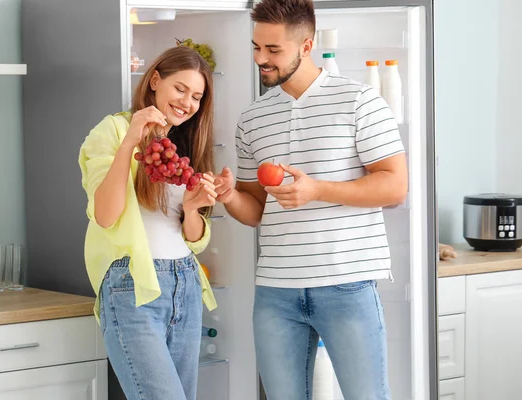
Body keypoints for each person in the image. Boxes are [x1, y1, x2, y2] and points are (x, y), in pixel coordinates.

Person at [214, 0, 408, 399]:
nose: (260, 59)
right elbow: (256, 210)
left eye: (273, 50)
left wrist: (317, 189)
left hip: (346, 285)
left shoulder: (359, 102)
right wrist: (230, 195)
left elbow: (394, 186)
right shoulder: (252, 118)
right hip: (275, 292)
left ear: (306, 45)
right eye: (256, 48)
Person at [78, 46, 218, 400]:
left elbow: (194, 239)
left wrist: (193, 208)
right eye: (180, 89)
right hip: (132, 286)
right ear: (155, 80)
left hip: (185, 283)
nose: (187, 102)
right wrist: (130, 141)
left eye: (197, 96)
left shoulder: (184, 143)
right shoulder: (112, 130)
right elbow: (106, 214)